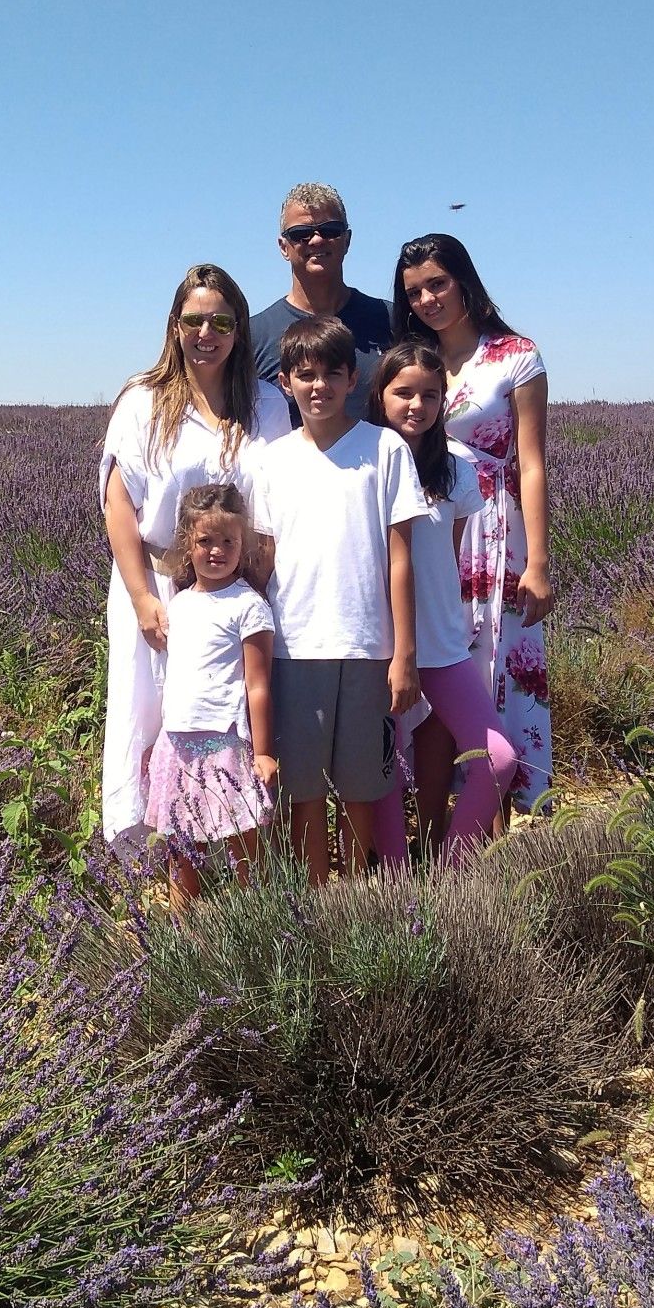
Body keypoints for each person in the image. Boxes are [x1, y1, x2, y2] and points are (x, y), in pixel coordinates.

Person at [100, 264, 290, 844]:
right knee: (149, 713)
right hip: (157, 585)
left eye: (222, 321)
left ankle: (235, 844)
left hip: (240, 592)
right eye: (193, 321)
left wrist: (261, 575)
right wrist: (140, 600)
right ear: (174, 326)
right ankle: (156, 858)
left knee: (231, 718)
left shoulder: (267, 402)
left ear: (240, 328)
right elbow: (118, 505)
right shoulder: (143, 400)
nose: (207, 333)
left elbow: (282, 492)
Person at [252, 315, 425, 885]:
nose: (318, 386)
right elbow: (263, 559)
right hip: (294, 646)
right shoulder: (272, 462)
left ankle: (354, 895)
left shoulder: (385, 449)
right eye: (306, 375)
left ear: (354, 379)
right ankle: (319, 895)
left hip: (368, 645)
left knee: (361, 785)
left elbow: (401, 559)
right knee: (302, 789)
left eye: (332, 374)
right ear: (286, 382)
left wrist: (404, 654)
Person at [393, 234, 552, 811]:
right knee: (436, 685)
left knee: (497, 671)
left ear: (463, 280)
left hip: (498, 534)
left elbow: (531, 464)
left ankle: (492, 830)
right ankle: (434, 827)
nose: (428, 299)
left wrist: (537, 562)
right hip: (431, 534)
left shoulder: (514, 355)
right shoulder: (417, 361)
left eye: (438, 283)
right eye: (414, 292)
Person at [365, 342, 518, 862]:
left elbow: (446, 557)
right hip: (377, 644)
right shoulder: (361, 457)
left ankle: (450, 869)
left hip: (442, 642)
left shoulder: (453, 466)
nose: (417, 405)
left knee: (497, 758)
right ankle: (395, 881)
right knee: (383, 768)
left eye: (430, 395)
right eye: (403, 392)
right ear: (379, 394)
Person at [144, 483, 278, 905]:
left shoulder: (248, 605)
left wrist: (263, 750)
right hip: (178, 744)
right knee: (184, 853)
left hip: (227, 744)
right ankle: (185, 942)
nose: (217, 550)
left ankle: (256, 924)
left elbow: (258, 685)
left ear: (243, 545)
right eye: (205, 541)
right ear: (188, 543)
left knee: (245, 848)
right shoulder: (179, 605)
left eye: (228, 541)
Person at [250, 183, 393, 422]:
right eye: (300, 233)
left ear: (347, 240)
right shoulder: (254, 336)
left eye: (330, 230)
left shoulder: (390, 319)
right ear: (283, 247)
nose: (316, 240)